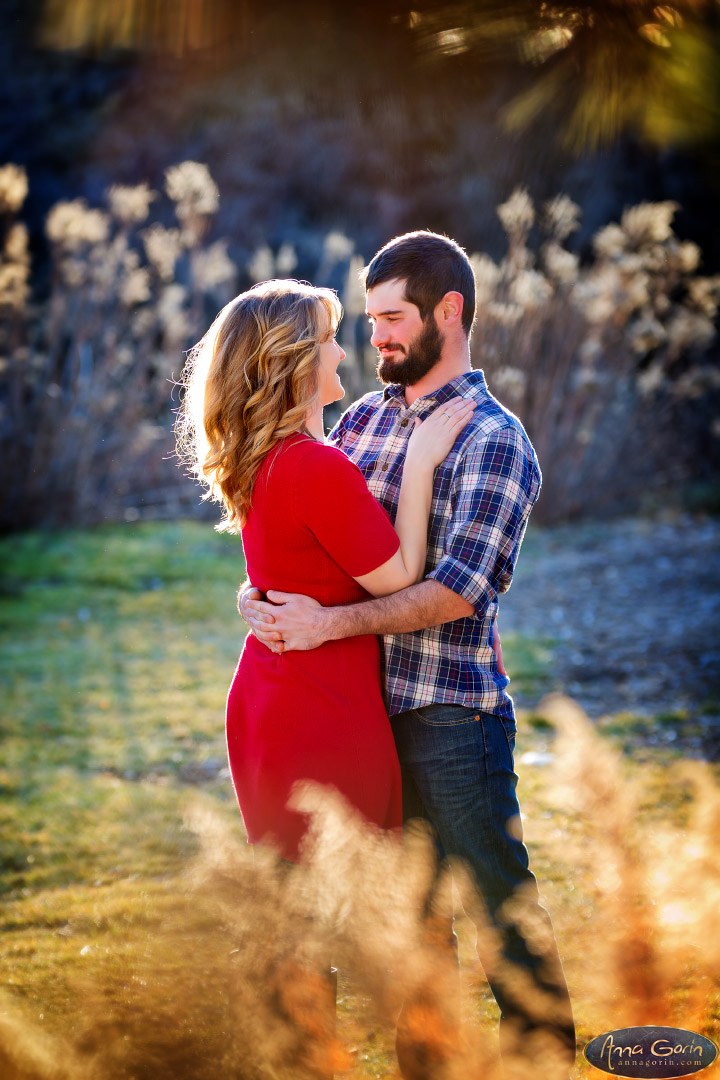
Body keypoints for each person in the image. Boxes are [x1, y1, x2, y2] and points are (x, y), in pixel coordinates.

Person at [241, 232, 576, 1075]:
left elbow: (453, 592)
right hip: (362, 721)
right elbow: (322, 546)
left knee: (501, 912)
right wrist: (261, 598)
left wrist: (329, 627)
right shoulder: (359, 419)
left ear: (449, 311)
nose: (376, 336)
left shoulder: (495, 440)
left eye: (392, 318)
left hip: (452, 717)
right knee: (417, 936)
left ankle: (543, 1061)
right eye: (369, 317)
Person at [176, 278, 474, 863]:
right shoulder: (317, 467)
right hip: (323, 708)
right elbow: (401, 578)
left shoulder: (261, 457)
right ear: (294, 362)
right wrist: (420, 461)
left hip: (267, 697)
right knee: (355, 902)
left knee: (298, 913)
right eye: (330, 340)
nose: (343, 351)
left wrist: (250, 598)